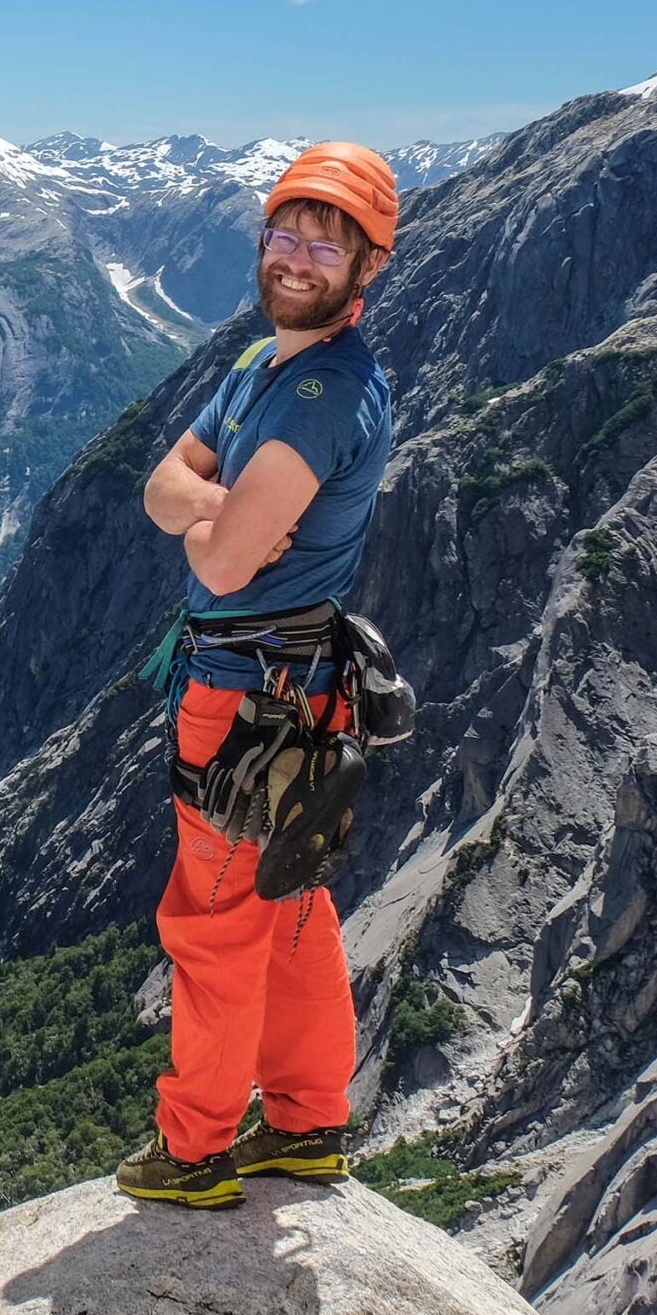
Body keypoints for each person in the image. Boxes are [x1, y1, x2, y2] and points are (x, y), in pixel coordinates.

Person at [112, 142, 400, 1210]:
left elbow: (223, 561)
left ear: (367, 265)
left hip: (242, 698)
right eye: (286, 231)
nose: (299, 255)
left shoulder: (319, 394)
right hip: (291, 694)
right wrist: (209, 507)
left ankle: (192, 1151)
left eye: (328, 242)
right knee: (287, 905)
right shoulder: (261, 364)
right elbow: (162, 487)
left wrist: (211, 524)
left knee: (215, 914)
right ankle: (306, 1123)